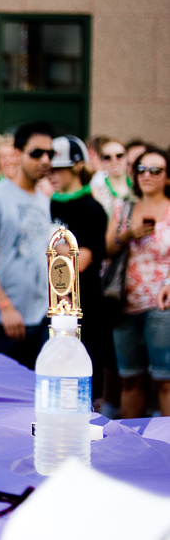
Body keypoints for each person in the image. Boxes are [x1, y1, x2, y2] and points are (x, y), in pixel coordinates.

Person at [0, 123, 55, 369]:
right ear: (17, 153)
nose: (45, 159)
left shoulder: (45, 200)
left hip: (38, 319)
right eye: (37, 153)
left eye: (50, 153)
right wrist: (4, 305)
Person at [47, 135, 110, 405]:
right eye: (50, 169)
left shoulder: (92, 209)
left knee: (84, 379)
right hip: (51, 303)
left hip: (83, 307)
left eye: (59, 169)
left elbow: (81, 261)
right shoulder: (49, 202)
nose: (53, 175)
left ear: (76, 166)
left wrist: (52, 239)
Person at [108, 147, 170, 418]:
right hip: (123, 301)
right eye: (142, 169)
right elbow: (107, 248)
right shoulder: (124, 207)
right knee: (129, 378)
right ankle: (129, 447)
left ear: (167, 177)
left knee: (165, 379)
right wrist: (128, 234)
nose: (148, 175)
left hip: (162, 302)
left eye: (156, 170)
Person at [91, 138, 134, 218]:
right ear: (101, 161)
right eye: (107, 157)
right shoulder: (95, 192)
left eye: (119, 156)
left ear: (127, 158)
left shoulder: (138, 188)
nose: (114, 161)